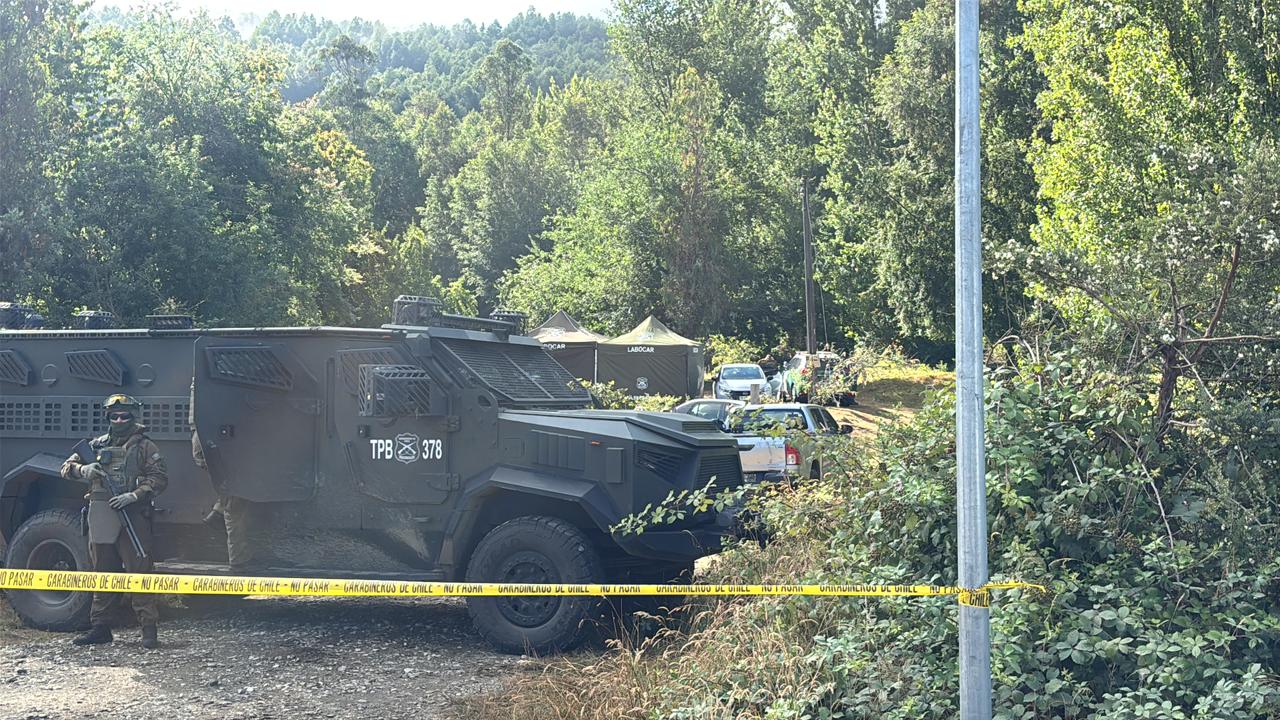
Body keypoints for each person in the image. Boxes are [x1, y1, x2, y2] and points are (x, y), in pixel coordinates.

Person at [60, 394, 167, 649]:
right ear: (108, 417)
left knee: (139, 571)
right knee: (102, 571)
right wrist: (82, 470)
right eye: (115, 416)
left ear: (133, 417)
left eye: (125, 416)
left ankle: (148, 629)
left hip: (133, 515)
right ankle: (100, 627)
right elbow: (65, 467)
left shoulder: (145, 447)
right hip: (101, 514)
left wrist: (134, 495)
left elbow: (159, 478)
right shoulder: (95, 446)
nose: (119, 420)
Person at [190, 380, 266, 574]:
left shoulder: (206, 381)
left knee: (233, 495)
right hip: (215, 443)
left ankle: (217, 512)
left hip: (212, 441)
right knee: (235, 505)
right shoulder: (216, 381)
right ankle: (238, 561)